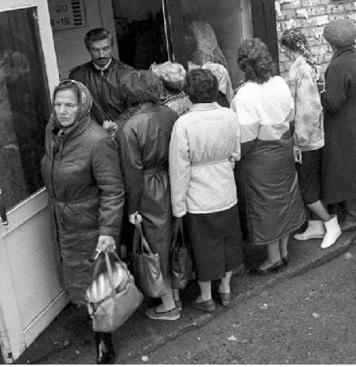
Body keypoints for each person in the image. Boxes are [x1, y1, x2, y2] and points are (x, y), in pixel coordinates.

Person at [40, 80, 124, 364]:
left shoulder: (97, 140)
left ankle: (104, 338)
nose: (62, 111)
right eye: (58, 104)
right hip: (64, 220)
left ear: (83, 106)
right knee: (77, 277)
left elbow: (113, 189)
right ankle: (93, 321)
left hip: (90, 225)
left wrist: (108, 231)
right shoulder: (53, 132)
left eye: (69, 105)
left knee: (98, 282)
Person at [169, 69, 243, 312]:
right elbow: (236, 153)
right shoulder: (230, 115)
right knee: (227, 242)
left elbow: (179, 169)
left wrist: (178, 207)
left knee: (204, 247)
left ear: (188, 93)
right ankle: (226, 289)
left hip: (198, 197)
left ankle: (205, 296)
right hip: (226, 190)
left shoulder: (183, 124)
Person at [231, 39, 307, 273]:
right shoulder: (279, 83)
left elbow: (248, 136)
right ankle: (283, 252)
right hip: (282, 148)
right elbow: (291, 115)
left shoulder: (244, 95)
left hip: (260, 156)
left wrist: (235, 157)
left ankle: (273, 258)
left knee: (265, 206)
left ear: (244, 66)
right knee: (284, 199)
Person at [116, 71, 180, 320]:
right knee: (173, 237)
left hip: (149, 188)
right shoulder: (169, 114)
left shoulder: (130, 127)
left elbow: (132, 172)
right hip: (172, 178)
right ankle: (174, 297)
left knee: (155, 245)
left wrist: (131, 208)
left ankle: (168, 305)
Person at [279, 29, 342, 250]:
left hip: (306, 140)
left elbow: (307, 109)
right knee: (311, 185)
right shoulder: (307, 65)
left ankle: (330, 224)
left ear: (288, 49)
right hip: (311, 137)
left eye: (284, 50)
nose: (284, 54)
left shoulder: (302, 69)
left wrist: (299, 141)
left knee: (307, 190)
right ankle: (315, 226)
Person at [321, 19, 356, 231]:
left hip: (340, 124)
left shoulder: (337, 65)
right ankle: (354, 210)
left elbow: (333, 102)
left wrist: (320, 91)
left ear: (331, 43)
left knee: (344, 168)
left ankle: (353, 216)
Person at [69, 28, 134, 135]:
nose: (101, 54)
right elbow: (75, 110)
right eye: (96, 50)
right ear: (88, 49)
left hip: (124, 134)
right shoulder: (78, 76)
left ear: (112, 47)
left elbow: (135, 107)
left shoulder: (127, 74)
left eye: (106, 48)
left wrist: (117, 124)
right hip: (92, 137)